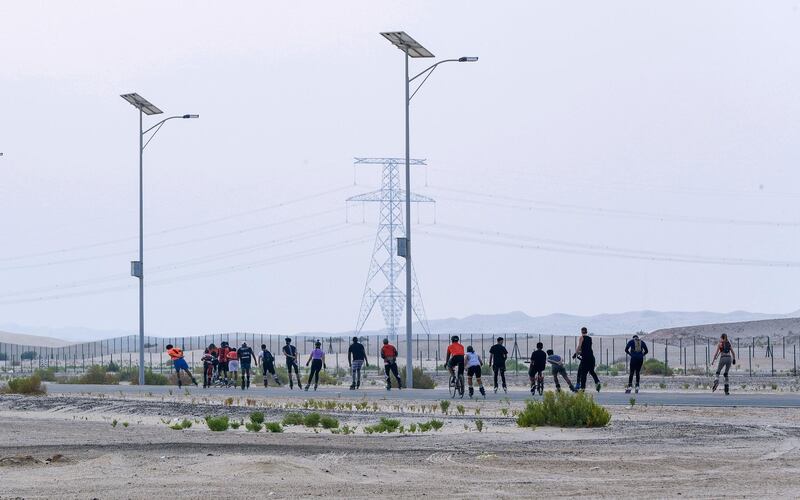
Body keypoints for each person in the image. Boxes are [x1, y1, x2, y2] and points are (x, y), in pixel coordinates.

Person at [573, 327, 601, 392]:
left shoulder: (581, 338)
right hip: (591, 357)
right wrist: (579, 352)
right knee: (591, 371)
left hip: (585, 358)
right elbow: (586, 348)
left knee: (583, 373)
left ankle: (582, 388)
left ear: (581, 331)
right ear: (586, 331)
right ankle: (597, 382)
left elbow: (579, 346)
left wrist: (576, 353)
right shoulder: (589, 338)